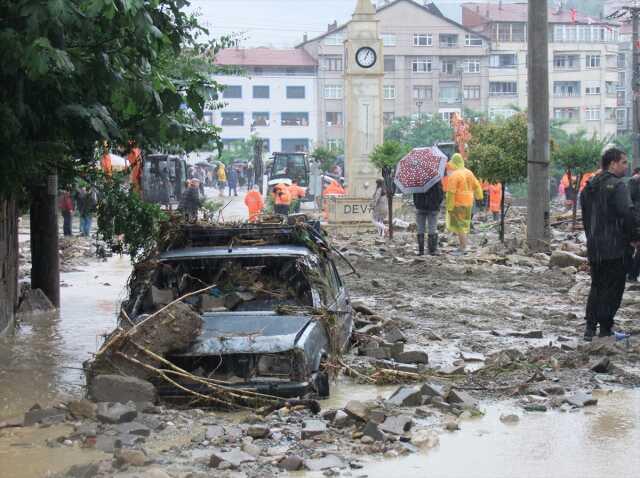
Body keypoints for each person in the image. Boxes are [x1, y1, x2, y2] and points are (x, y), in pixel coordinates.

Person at [580, 148, 638, 341]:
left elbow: (587, 219)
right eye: (623, 162)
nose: (626, 165)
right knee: (613, 289)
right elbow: (627, 214)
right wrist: (634, 237)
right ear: (612, 163)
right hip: (615, 247)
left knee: (597, 286)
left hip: (595, 247)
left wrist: (592, 240)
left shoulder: (588, 187)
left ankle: (589, 329)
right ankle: (605, 329)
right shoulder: (618, 186)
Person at [445, 153, 483, 255]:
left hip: (458, 204)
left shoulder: (454, 175)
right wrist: (480, 198)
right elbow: (477, 186)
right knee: (464, 225)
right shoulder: (469, 172)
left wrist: (449, 206)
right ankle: (463, 246)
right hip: (469, 203)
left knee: (460, 227)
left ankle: (462, 248)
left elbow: (450, 193)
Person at [413, 180, 443, 255]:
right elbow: (440, 195)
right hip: (433, 207)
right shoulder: (436, 179)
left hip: (420, 206)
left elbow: (414, 195)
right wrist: (437, 204)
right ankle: (432, 250)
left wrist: (417, 204)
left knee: (420, 228)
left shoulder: (418, 180)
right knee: (432, 228)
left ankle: (421, 250)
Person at [626, 167, 640, 281]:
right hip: (635, 219)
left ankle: (632, 274)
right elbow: (629, 203)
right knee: (631, 247)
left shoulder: (633, 181)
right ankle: (631, 274)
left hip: (635, 218)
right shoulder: (633, 182)